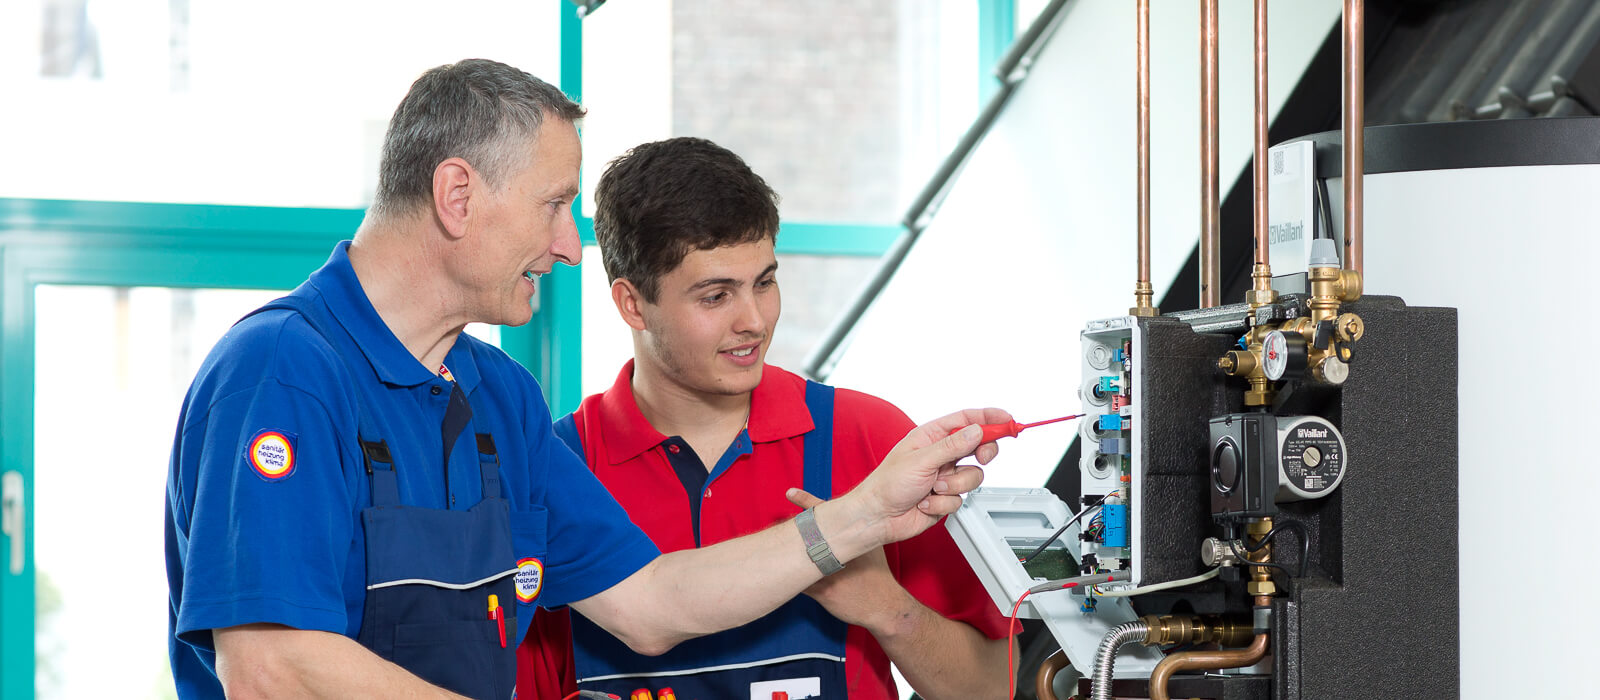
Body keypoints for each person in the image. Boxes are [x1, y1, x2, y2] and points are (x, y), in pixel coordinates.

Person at [163, 59, 1005, 700]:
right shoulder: (282, 370)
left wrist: (863, 515)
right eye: (553, 204)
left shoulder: (498, 397)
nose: (569, 246)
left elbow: (650, 601)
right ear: (457, 195)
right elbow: (271, 664)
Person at [515, 137, 1016, 700]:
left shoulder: (871, 441)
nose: (754, 320)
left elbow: (993, 686)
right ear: (633, 304)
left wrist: (889, 610)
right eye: (715, 296)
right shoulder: (555, 472)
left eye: (764, 282)